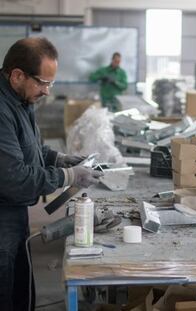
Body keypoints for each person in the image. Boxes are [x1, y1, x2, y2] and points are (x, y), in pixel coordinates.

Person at [0, 37, 103, 311]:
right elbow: (15, 179)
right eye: (43, 83)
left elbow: (31, 148)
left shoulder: (21, 99)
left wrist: (60, 159)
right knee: (5, 290)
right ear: (17, 75)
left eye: (50, 83)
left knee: (20, 285)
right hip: (3, 213)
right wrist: (69, 176)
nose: (47, 91)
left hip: (15, 211)